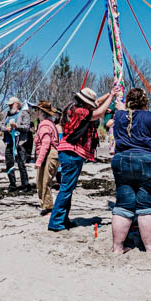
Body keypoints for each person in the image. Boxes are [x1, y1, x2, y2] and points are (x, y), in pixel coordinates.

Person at [109, 88, 151, 253]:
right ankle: (149, 248)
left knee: (123, 205)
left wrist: (121, 106)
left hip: (122, 160)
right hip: (149, 161)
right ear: (145, 102)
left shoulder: (119, 116)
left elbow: (122, 114)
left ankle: (117, 248)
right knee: (146, 205)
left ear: (128, 102)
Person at [47, 87, 113, 232]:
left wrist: (109, 94)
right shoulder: (81, 111)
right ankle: (56, 222)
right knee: (66, 188)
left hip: (68, 151)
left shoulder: (73, 108)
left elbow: (97, 104)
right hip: (72, 152)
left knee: (68, 188)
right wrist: (111, 96)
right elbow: (98, 113)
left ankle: (63, 219)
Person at [33, 101, 61, 215]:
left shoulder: (44, 125)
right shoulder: (49, 123)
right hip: (51, 154)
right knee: (41, 181)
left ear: (40, 112)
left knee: (44, 182)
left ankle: (48, 207)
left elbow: (46, 143)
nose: (35, 112)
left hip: (50, 154)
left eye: (36, 110)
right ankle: (46, 205)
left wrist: (39, 161)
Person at [1, 97, 32, 191]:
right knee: (9, 164)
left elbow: (27, 127)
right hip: (9, 143)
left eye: (11, 104)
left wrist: (16, 126)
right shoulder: (6, 114)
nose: (10, 106)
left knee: (21, 165)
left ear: (17, 104)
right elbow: (1, 126)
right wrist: (6, 129)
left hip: (20, 144)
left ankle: (25, 185)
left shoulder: (24, 114)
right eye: (9, 105)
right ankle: (12, 184)